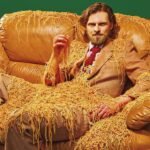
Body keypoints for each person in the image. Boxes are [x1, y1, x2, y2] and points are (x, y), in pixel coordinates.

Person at [3, 2, 150, 150]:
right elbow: (52, 82)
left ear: (111, 25)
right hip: (53, 96)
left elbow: (146, 78)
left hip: (84, 108)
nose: (97, 29)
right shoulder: (77, 48)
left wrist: (119, 101)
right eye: (92, 25)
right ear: (86, 27)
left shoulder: (122, 48)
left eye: (102, 24)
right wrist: (56, 55)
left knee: (20, 122)